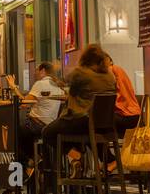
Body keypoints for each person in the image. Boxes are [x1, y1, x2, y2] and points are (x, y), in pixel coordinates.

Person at [41, 44, 117, 176]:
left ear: (86, 59)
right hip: (104, 125)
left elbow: (64, 81)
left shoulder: (81, 73)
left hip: (83, 121)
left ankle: (76, 157)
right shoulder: (110, 76)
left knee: (48, 132)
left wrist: (56, 71)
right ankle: (108, 160)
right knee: (83, 133)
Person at [16, 61, 65, 182]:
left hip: (37, 125)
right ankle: (35, 157)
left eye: (37, 70)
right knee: (21, 130)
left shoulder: (40, 84)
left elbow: (23, 104)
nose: (35, 72)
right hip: (51, 125)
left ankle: (30, 161)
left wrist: (13, 87)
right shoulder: (58, 85)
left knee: (13, 133)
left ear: (43, 71)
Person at [105, 52, 142, 134]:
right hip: (135, 116)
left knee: (96, 121)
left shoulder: (111, 69)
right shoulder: (118, 69)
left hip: (124, 117)